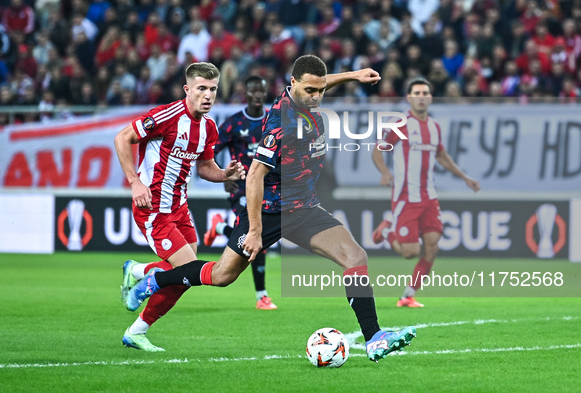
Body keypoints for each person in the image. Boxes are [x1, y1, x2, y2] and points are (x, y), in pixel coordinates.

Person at [123, 55, 417, 363]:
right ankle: (156, 280)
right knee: (222, 275)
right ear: (293, 85)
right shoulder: (281, 123)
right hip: (269, 210)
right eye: (310, 91)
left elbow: (318, 80)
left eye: (320, 90)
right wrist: (254, 230)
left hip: (303, 208)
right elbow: (254, 176)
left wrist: (354, 75)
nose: (316, 96)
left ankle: (374, 338)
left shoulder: (306, 92)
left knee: (355, 257)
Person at [114, 62, 245, 351]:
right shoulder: (167, 115)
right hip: (153, 208)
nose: (208, 95)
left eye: (213, 89)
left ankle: (137, 313)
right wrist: (135, 182)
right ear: (187, 89)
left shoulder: (209, 127)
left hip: (180, 208)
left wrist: (226, 174)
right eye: (201, 88)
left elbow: (206, 166)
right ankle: (141, 279)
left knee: (185, 277)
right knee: (189, 269)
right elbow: (123, 137)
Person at [371, 77, 481, 308]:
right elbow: (377, 151)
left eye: (425, 93)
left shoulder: (434, 126)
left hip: (429, 196)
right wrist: (384, 172)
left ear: (430, 98)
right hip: (405, 196)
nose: (421, 97)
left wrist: (465, 178)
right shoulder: (400, 124)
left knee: (432, 246)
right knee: (410, 252)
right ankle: (388, 229)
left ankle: (408, 295)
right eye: (416, 93)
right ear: (409, 98)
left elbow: (442, 156)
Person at [202, 75, 277, 310]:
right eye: (253, 91)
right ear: (246, 92)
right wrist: (224, 175)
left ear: (265, 93)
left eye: (261, 91)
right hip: (242, 186)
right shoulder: (234, 123)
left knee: (249, 236)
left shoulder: (273, 121)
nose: (257, 95)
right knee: (257, 236)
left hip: (268, 188)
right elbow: (210, 150)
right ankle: (262, 295)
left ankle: (218, 228)